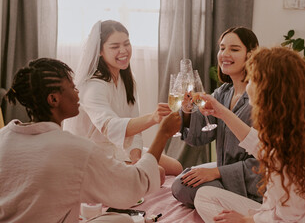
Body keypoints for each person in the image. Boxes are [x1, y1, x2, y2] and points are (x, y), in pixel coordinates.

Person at [0, 58, 181, 223]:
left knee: (118, 219)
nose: (78, 94)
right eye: (73, 87)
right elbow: (133, 186)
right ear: (53, 99)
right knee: (123, 220)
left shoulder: (4, 136)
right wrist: (163, 134)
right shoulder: (73, 149)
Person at [194, 47, 305, 223]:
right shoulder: (302, 128)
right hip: (299, 214)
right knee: (204, 195)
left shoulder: (290, 153)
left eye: (251, 79)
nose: (247, 84)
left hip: (289, 219)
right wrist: (221, 111)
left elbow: (287, 218)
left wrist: (246, 221)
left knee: (210, 203)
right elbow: (259, 144)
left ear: (267, 89)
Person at [63, 20, 183, 181]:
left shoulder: (126, 79)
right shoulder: (93, 86)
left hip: (117, 148)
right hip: (91, 154)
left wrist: (136, 157)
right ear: (99, 51)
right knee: (159, 173)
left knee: (176, 167)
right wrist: (153, 118)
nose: (123, 51)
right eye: (114, 47)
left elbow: (135, 128)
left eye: (126, 44)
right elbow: (110, 127)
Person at [171, 27, 262, 208]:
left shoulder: (260, 99)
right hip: (225, 177)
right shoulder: (223, 92)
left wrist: (217, 173)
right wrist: (188, 111)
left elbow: (263, 163)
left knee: (185, 186)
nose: (225, 54)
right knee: (184, 181)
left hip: (251, 186)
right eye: (222, 48)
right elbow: (200, 137)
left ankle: (229, 202)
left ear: (251, 55)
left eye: (234, 49)